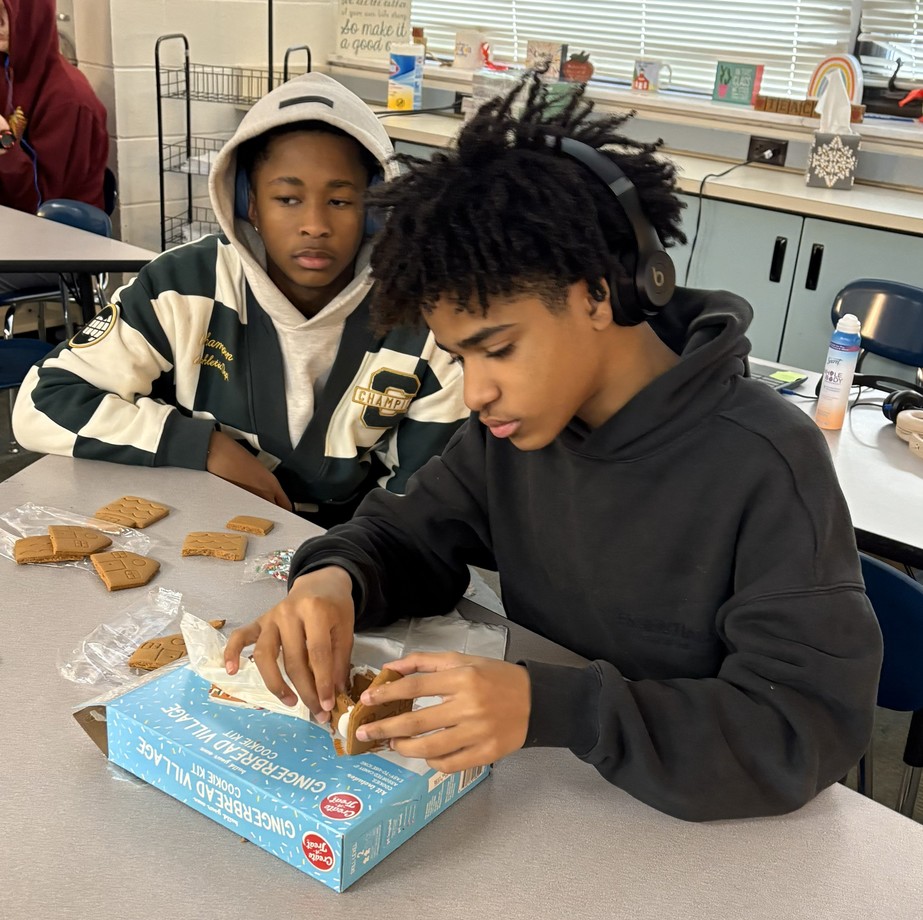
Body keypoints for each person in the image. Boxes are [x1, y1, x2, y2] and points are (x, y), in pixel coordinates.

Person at [224, 74, 882, 822]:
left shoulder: (765, 462)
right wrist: (332, 579)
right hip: (559, 803)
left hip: (702, 836)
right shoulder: (515, 431)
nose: (475, 392)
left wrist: (556, 707)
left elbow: (802, 728)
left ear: (596, 294)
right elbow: (409, 536)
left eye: (497, 349)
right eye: (460, 357)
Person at [13, 73, 466, 522]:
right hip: (195, 526)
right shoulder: (184, 284)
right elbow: (41, 404)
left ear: (373, 209)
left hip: (351, 547)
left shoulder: (424, 318)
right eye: (287, 198)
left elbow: (424, 502)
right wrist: (203, 446)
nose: (314, 225)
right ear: (249, 203)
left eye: (340, 201)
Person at [0, 0, 109, 293]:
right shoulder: (10, 72)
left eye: (5, 15)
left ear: (31, 19)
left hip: (62, 247)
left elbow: (44, 205)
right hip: (17, 233)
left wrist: (4, 145)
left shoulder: (70, 101)